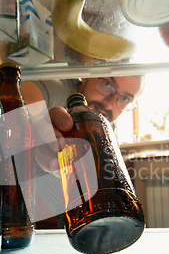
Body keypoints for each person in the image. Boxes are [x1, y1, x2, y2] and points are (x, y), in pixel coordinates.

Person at [20, 76, 145, 228]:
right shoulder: (60, 87)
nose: (111, 103)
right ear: (86, 77)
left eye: (125, 98)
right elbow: (20, 104)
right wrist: (34, 130)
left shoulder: (104, 124)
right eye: (107, 84)